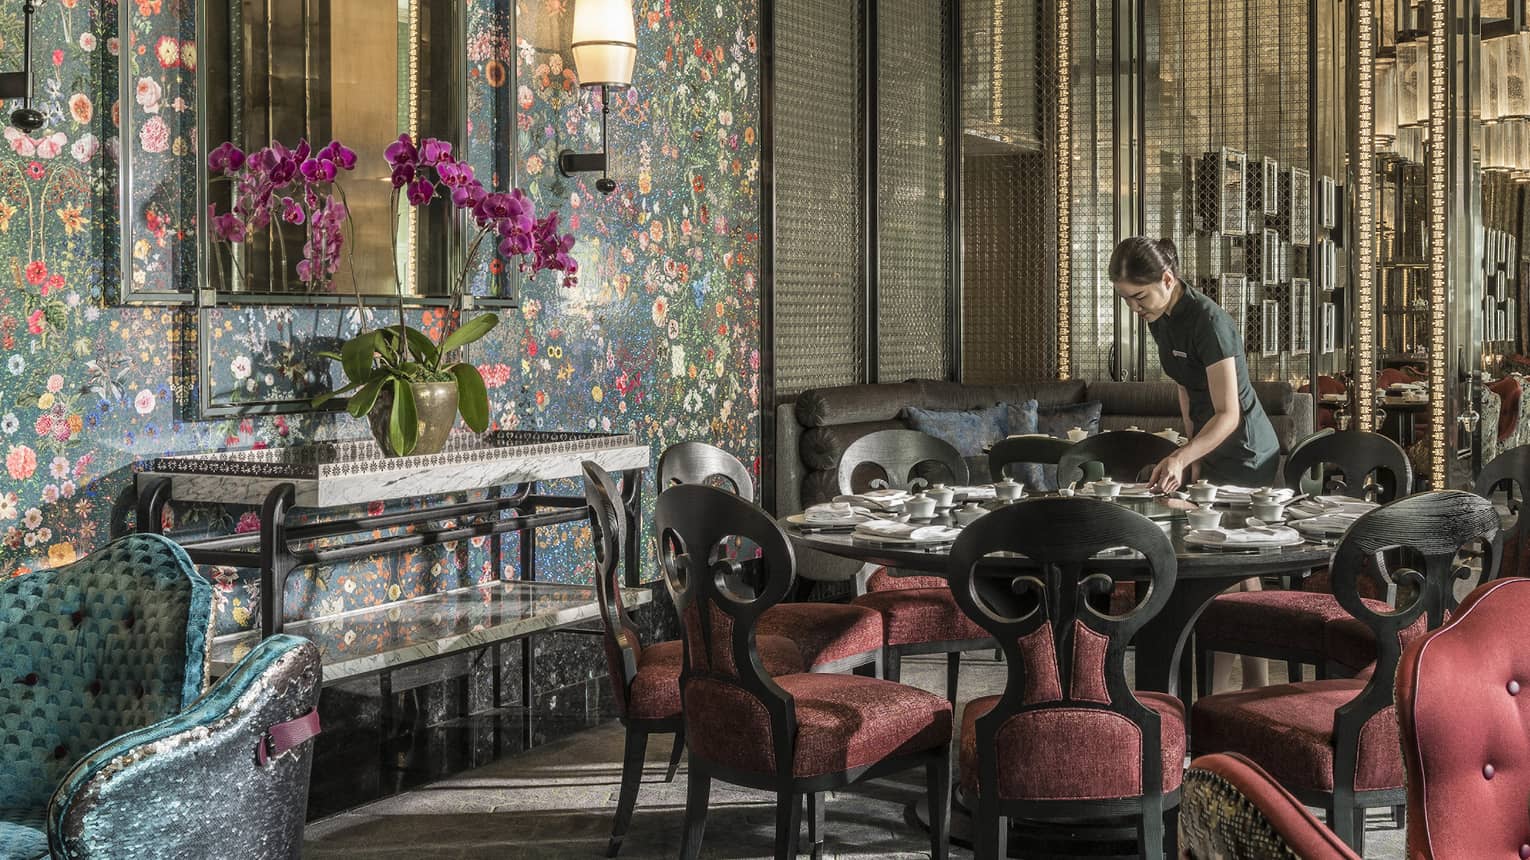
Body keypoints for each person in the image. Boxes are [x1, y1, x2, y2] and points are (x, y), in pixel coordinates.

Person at [1109, 235, 1279, 691]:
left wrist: (1182, 455)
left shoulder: (1210, 321)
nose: (1135, 309)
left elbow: (1229, 413)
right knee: (1238, 577)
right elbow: (1186, 388)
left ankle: (1222, 694)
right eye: (1126, 300)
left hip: (1245, 451)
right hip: (1209, 446)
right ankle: (1243, 692)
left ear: (1168, 278)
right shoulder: (1159, 318)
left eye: (1140, 297)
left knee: (1230, 574)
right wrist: (1190, 454)